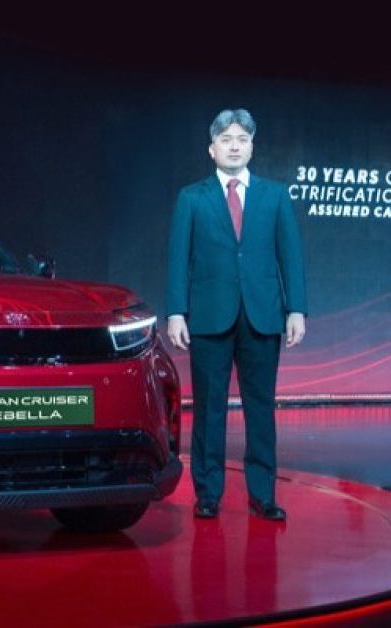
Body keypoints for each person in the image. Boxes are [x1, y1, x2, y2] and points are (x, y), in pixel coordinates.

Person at [166, 108, 307, 522]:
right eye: (226, 139)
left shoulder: (275, 196)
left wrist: (296, 309)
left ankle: (263, 494)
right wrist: (176, 312)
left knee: (260, 408)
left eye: (242, 140)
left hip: (263, 315)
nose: (234, 146)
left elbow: (290, 256)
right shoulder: (192, 198)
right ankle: (208, 493)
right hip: (209, 316)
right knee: (209, 408)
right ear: (212, 149)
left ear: (252, 147)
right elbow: (178, 259)